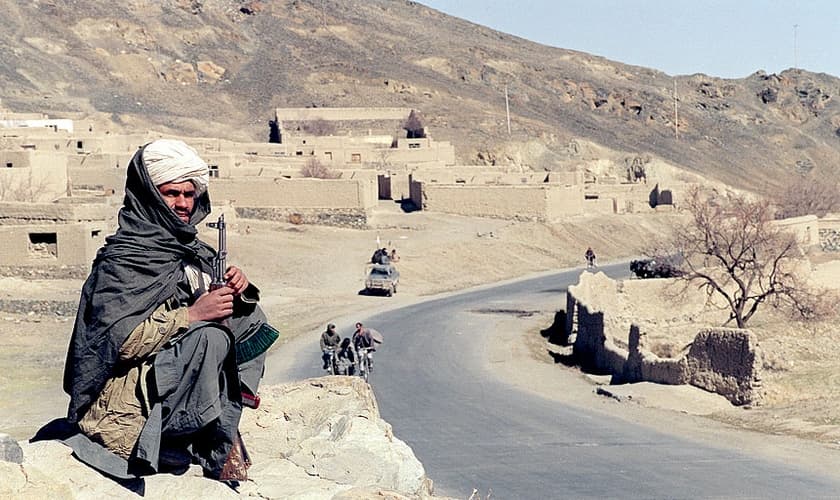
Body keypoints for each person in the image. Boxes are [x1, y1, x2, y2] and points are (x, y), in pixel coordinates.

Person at [62, 139, 279, 483]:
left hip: (171, 366)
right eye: (171, 193)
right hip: (129, 388)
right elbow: (120, 344)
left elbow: (211, 304)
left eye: (188, 194)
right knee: (208, 336)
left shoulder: (190, 248)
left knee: (249, 318)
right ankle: (173, 436)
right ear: (148, 195)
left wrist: (237, 293)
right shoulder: (123, 260)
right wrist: (192, 315)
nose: (182, 203)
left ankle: (223, 414)